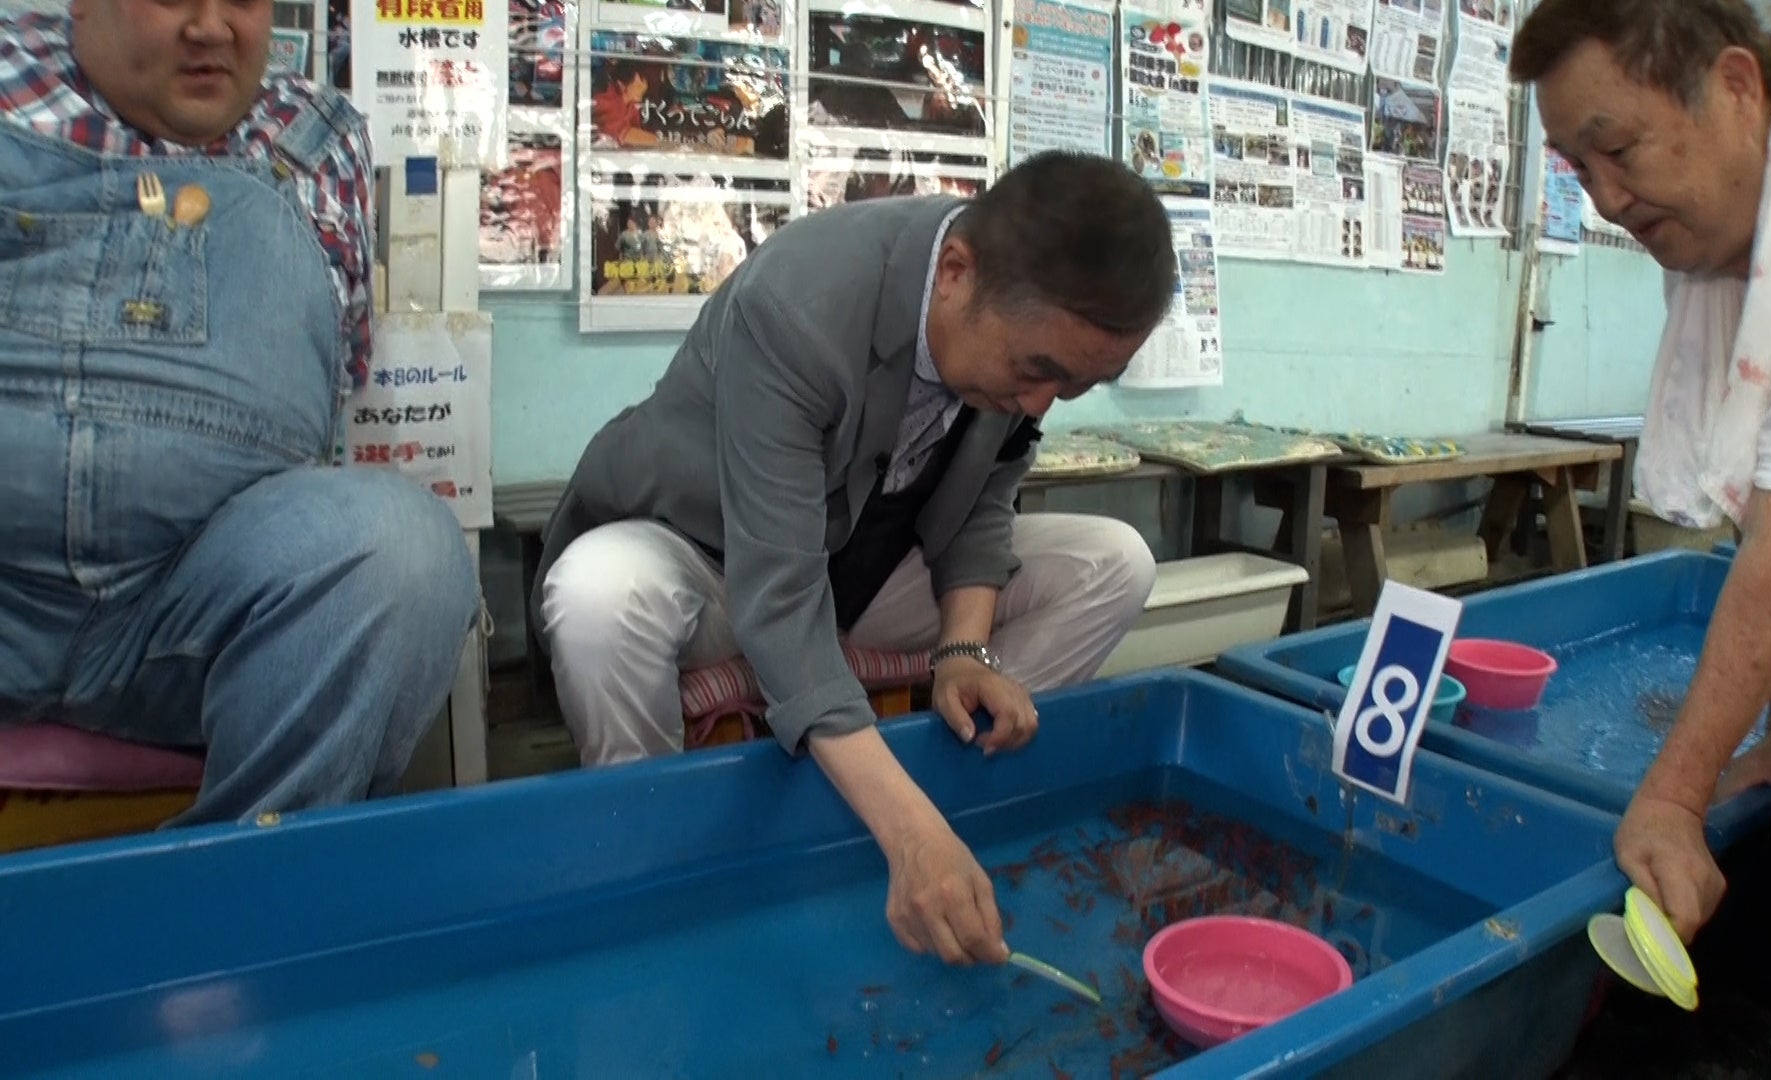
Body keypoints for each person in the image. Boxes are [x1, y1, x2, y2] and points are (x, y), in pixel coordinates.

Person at [537, 150, 1170, 967]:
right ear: (954, 272)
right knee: (597, 599)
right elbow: (778, 593)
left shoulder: (1010, 346)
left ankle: (939, 812)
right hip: (712, 561)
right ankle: (660, 874)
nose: (1043, 403)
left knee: (1116, 562)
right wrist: (907, 835)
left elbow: (983, 503)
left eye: (1080, 387)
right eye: (1038, 371)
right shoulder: (800, 302)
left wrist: (963, 651)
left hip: (855, 573)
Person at [1512, 0, 1771, 1020]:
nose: (1606, 198)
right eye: (1576, 169)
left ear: (1737, 86)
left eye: (1618, 148)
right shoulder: (1714, 252)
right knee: (1763, 929)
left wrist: (1673, 795)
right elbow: (1759, 504)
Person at [0, 2, 479, 825]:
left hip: (187, 609)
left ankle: (240, 917)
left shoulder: (320, 141)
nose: (212, 27)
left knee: (400, 549)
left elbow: (342, 370)